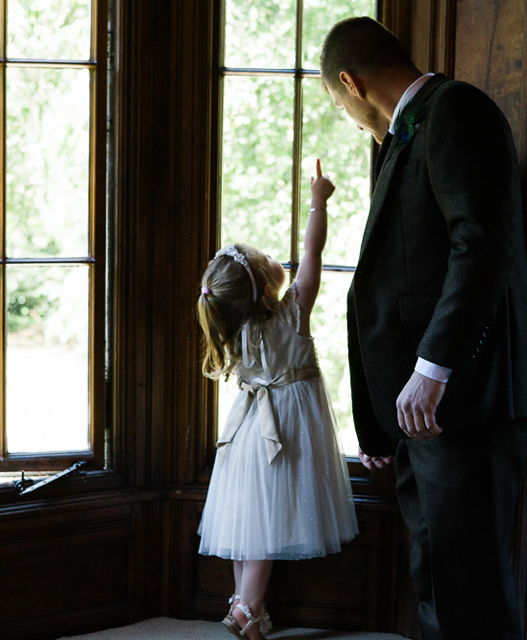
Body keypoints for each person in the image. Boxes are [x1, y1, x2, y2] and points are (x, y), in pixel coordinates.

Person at [320, 17, 527, 640]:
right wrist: (380, 418)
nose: (349, 118)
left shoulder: (456, 110)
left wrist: (433, 370)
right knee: (435, 579)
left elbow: (480, 246)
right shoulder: (403, 136)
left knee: (468, 590)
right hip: (423, 412)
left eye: (340, 104)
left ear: (351, 83)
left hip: (467, 398)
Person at [196, 160, 358, 640]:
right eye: (267, 258)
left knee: (248, 521)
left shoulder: (232, 327)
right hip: (284, 428)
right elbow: (314, 250)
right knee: (265, 526)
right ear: (267, 285)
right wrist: (318, 202)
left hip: (249, 431)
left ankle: (244, 608)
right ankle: (248, 608)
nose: (276, 258)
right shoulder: (292, 312)